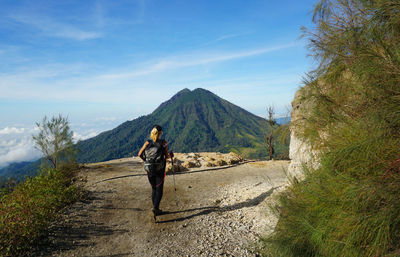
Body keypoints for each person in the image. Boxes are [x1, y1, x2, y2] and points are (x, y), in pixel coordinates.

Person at [138, 125, 173, 220]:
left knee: (153, 189)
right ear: (160, 133)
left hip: (149, 169)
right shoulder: (163, 143)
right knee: (159, 190)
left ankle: (155, 208)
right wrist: (171, 154)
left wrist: (146, 160)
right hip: (160, 169)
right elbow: (167, 156)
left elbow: (139, 154)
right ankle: (155, 209)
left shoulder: (147, 143)